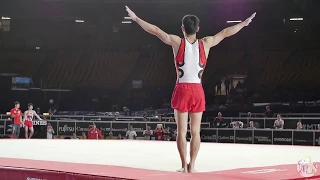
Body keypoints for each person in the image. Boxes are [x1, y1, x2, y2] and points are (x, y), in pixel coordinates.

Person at [126, 6, 256, 173]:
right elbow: (225, 32)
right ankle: (192, 166)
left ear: (182, 29)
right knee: (196, 132)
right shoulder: (206, 43)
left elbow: (156, 31)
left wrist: (137, 19)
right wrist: (243, 24)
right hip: (197, 90)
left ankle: (183, 166)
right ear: (198, 29)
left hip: (182, 89)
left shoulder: (177, 42)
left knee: (181, 132)